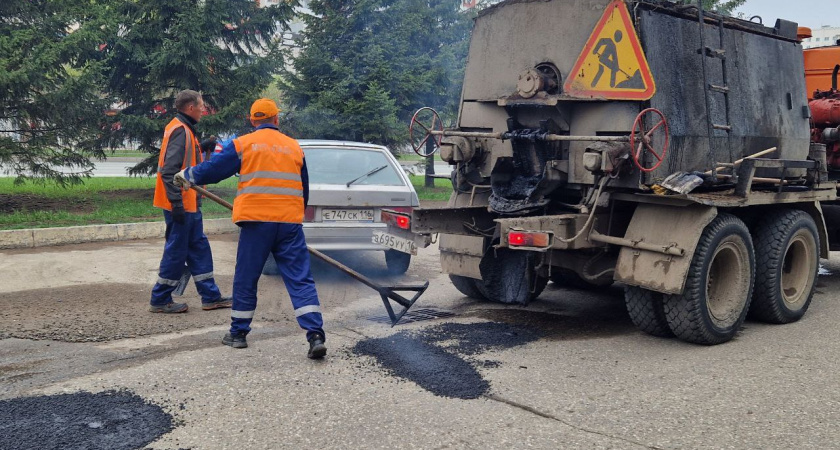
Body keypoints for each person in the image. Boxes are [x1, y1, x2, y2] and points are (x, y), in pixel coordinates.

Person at [174, 98, 327, 359]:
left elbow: (214, 169)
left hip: (256, 223)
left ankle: (238, 334)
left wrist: (188, 175)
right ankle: (315, 335)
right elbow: (305, 188)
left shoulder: (244, 144)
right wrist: (294, 216)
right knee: (300, 279)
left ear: (253, 120)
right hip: (289, 223)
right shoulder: (294, 148)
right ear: (276, 119)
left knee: (247, 277)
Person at [149, 89, 232, 314]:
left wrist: (203, 148)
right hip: (182, 205)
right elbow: (169, 172)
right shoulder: (180, 131)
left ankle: (210, 296)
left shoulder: (185, 129)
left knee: (199, 247)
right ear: (190, 108)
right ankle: (160, 299)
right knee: (176, 251)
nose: (204, 109)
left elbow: (188, 165)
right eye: (201, 105)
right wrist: (176, 203)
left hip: (190, 203)